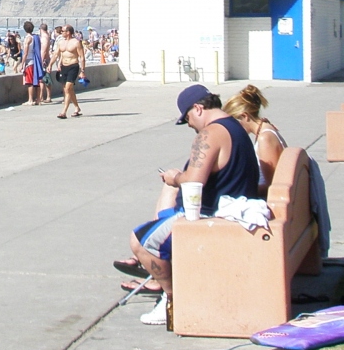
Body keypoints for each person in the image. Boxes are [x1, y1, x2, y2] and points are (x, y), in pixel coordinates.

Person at [122, 83, 260, 325]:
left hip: (212, 216)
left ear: (198, 108)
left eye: (187, 118)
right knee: (160, 218)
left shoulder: (210, 134)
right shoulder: (236, 127)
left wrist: (175, 177)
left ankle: (172, 299)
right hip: (236, 208)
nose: (189, 125)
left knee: (140, 241)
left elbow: (193, 183)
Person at [221, 85, 286, 195]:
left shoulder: (265, 138)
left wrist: (239, 189)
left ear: (245, 116)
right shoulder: (265, 129)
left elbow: (272, 186)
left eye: (234, 123)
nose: (232, 129)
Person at [53, 25, 86, 119]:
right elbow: (56, 54)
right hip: (64, 67)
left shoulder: (76, 42)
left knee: (68, 88)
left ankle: (63, 112)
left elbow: (82, 57)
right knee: (69, 89)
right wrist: (50, 65)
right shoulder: (61, 42)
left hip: (73, 66)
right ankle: (77, 108)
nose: (61, 32)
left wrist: (82, 71)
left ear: (68, 32)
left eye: (63, 31)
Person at [20, 21, 44, 106]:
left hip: (29, 62)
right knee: (36, 81)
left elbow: (25, 53)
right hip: (35, 61)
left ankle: (30, 100)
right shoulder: (35, 37)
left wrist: (22, 64)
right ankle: (38, 99)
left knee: (29, 82)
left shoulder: (28, 38)